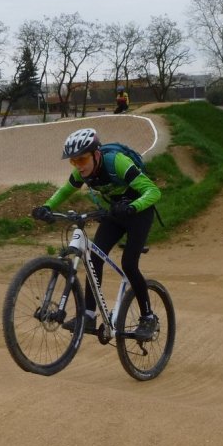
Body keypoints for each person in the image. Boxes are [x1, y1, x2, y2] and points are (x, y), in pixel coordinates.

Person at [31, 127, 160, 341]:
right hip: (116, 212)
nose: (78, 166)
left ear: (96, 155)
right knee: (94, 258)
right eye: (74, 161)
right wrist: (46, 206)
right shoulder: (82, 171)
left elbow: (153, 191)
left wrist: (133, 207)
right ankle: (88, 315)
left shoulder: (116, 162)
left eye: (81, 160)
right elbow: (65, 190)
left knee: (129, 263)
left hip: (139, 212)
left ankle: (148, 317)